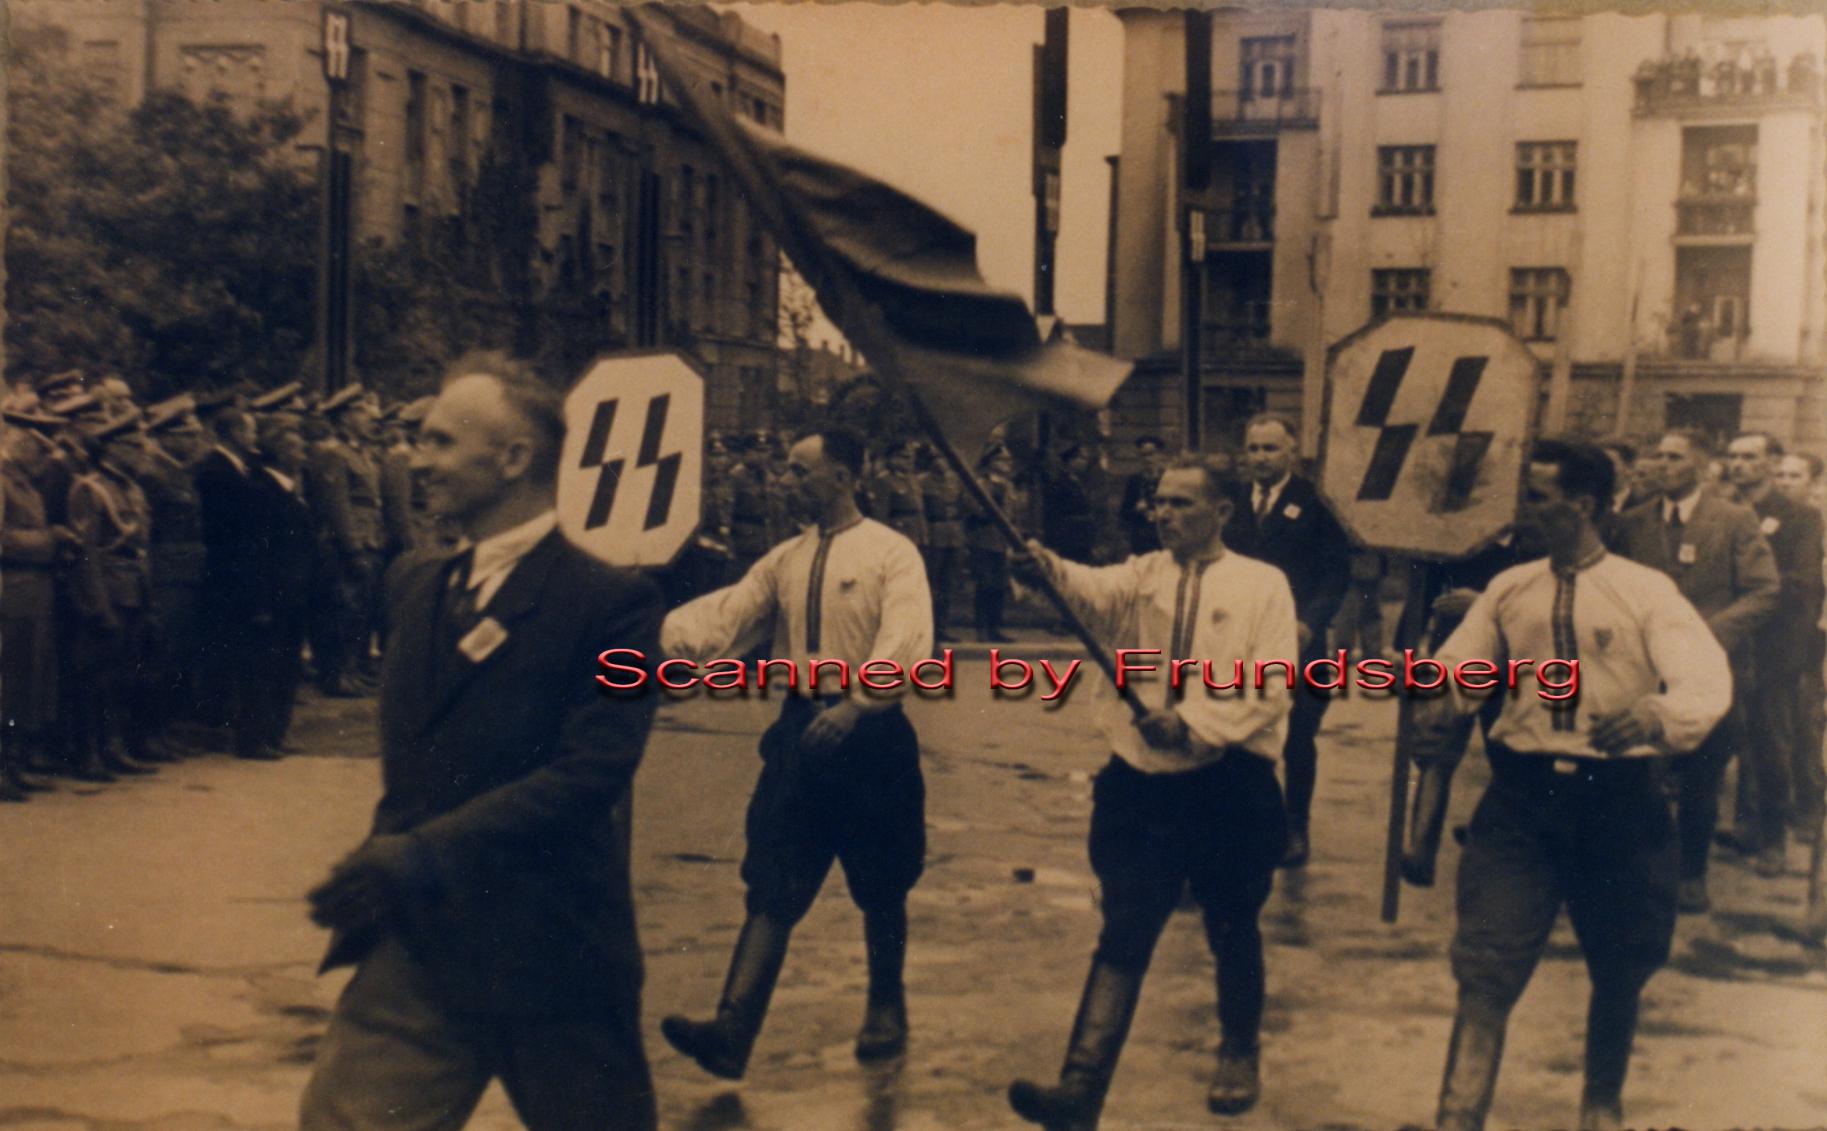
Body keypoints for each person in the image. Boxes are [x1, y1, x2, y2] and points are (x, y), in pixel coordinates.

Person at [301, 353, 665, 1129]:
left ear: (513, 457)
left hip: (553, 956)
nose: (416, 459)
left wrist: (420, 852)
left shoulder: (615, 606)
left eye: (440, 441)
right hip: (420, 942)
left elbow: (589, 775)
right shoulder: (413, 584)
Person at [1422, 437, 1730, 1131]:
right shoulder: (1508, 588)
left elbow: (1706, 679)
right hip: (1521, 802)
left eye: (1537, 497)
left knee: (1620, 964)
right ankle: (1458, 1114)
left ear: (1583, 505)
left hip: (1617, 802)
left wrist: (1658, 713)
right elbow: (1462, 668)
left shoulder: (1645, 590)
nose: (1521, 510)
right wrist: (1437, 696)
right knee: (1485, 962)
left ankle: (1600, 1104)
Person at [1006, 454, 1295, 1126]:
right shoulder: (1142, 576)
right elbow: (1088, 591)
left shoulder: (1262, 585)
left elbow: (1272, 682)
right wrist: (1045, 568)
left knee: (1232, 926)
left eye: (1180, 503)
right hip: (1139, 787)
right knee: (1124, 929)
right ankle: (1080, 1087)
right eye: (1159, 501)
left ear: (1222, 511)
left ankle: (1239, 1050)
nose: (1162, 513)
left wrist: (1191, 723)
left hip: (1230, 786)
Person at [659, 427, 933, 1079]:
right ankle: (732, 1030)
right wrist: (659, 640)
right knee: (773, 878)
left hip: (871, 737)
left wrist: (857, 704)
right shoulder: (785, 558)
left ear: (842, 476)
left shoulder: (892, 553)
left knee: (881, 878)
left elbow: (908, 639)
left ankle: (885, 1009)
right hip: (800, 735)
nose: (786, 480)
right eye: (784, 469)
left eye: (799, 470)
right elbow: (728, 616)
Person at [1612, 428, 1778, 912]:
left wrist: (1705, 634)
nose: (1662, 464)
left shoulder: (1734, 519)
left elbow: (1764, 590)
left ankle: (1691, 873)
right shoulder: (1634, 522)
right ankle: (1635, 869)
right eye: (1658, 455)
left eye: (1674, 457)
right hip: (1645, 666)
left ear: (1702, 467)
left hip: (1712, 669)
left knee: (1702, 778)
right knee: (1638, 769)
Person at [1223, 413, 1351, 868]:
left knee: (1297, 738)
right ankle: (1247, 826)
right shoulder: (1232, 503)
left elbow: (1335, 575)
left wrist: (1309, 623)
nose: (1261, 457)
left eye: (1271, 448)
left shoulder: (1316, 502)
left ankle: (1296, 827)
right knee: (1236, 733)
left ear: (1292, 452)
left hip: (1300, 643)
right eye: (1254, 448)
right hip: (1240, 641)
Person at [1723, 432, 1824, 875]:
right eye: (1733, 456)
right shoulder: (1722, 509)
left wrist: (1748, 584)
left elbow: (1804, 580)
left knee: (1768, 740)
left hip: (1774, 644)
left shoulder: (1800, 517)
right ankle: (1743, 824)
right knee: (1728, 735)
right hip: (1726, 638)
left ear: (1771, 463)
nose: (1738, 464)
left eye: (1750, 457)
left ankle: (1772, 837)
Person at [0, 403, 77, 799]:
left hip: (30, 594)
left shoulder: (23, 483)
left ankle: (13, 764)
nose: (46, 461)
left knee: (27, 683)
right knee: (10, 682)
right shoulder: (4, 482)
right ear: (23, 446)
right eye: (40, 452)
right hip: (11, 594)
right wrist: (50, 539)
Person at [966, 444, 1025, 643]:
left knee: (1000, 585)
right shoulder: (982, 484)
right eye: (1002, 460)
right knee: (985, 583)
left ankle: (995, 627)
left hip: (1003, 540)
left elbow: (1015, 512)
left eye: (1008, 460)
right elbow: (976, 510)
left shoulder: (1008, 485)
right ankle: (982, 628)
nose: (1007, 463)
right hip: (984, 539)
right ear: (991, 462)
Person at [1118, 435, 1167, 555]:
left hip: (1164, 536)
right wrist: (1137, 510)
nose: (1147, 459)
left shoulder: (1167, 479)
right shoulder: (1134, 480)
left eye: (1151, 454)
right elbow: (1124, 513)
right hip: (1141, 538)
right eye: (1143, 455)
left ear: (1160, 455)